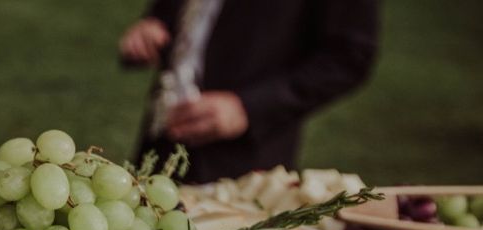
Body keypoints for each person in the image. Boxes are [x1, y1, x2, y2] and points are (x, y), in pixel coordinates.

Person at [120, 0, 379, 183]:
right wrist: (155, 22)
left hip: (242, 160)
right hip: (159, 139)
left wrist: (249, 107)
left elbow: (350, 55)